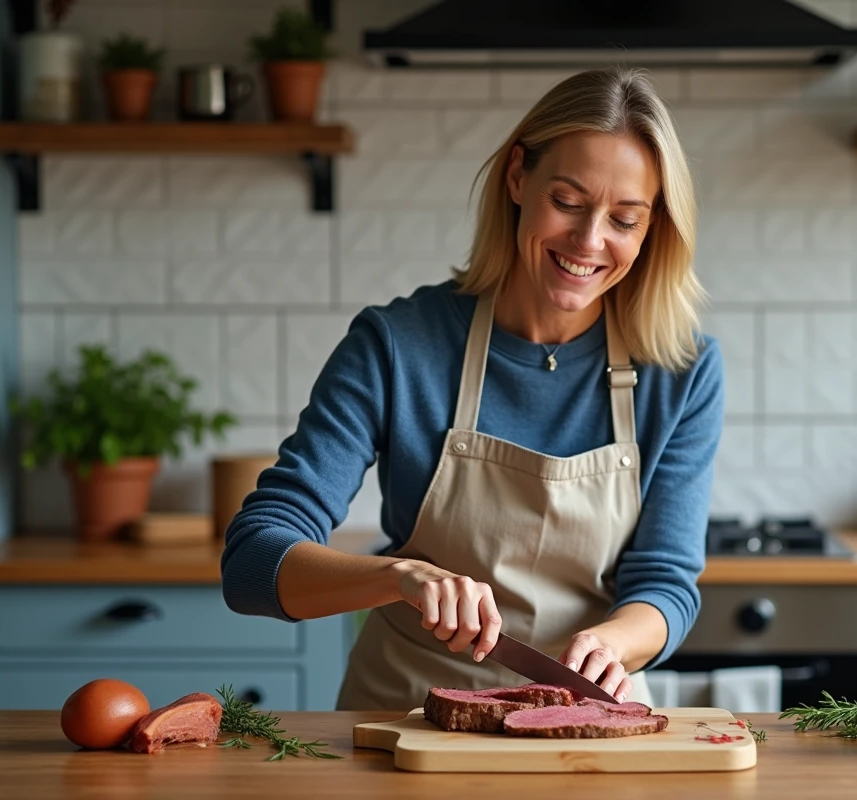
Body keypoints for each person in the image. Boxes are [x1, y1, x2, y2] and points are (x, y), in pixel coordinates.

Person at [220, 65, 725, 711]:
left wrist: (612, 644)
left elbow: (666, 583)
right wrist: (399, 578)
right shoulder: (399, 345)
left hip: (588, 718)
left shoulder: (680, 370)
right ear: (518, 176)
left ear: (654, 228)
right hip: (403, 719)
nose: (590, 240)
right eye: (567, 202)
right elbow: (253, 565)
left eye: (625, 219)